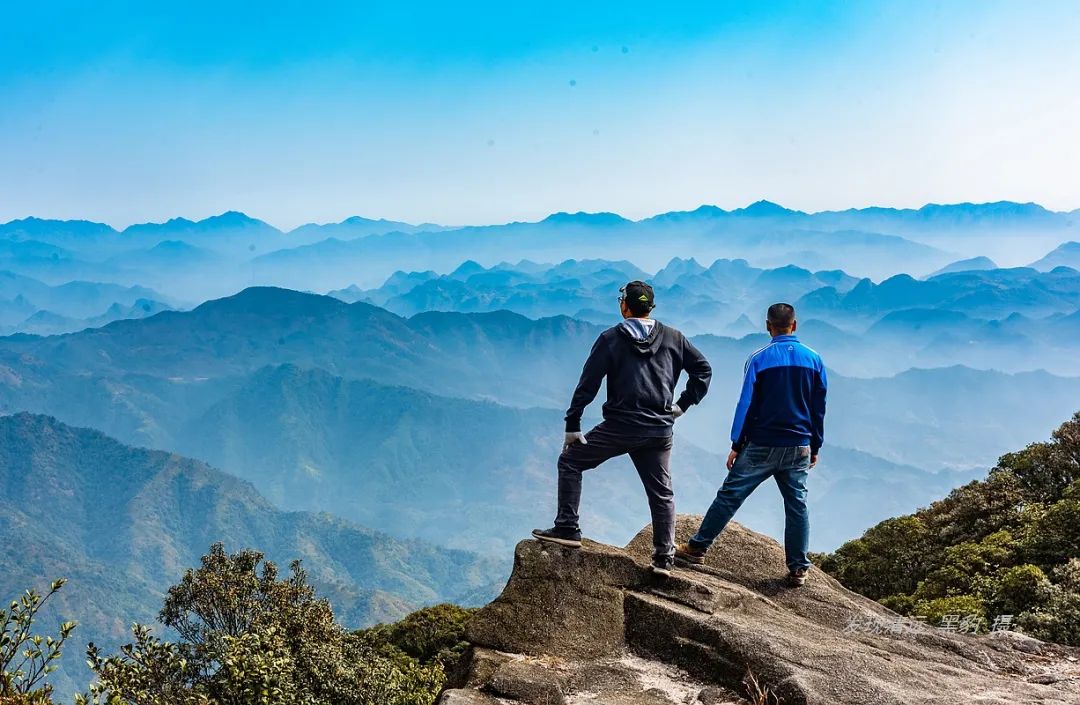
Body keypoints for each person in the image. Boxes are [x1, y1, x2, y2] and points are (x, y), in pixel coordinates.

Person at [532, 280, 712, 576]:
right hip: (658, 430)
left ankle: (567, 528)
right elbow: (703, 369)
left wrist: (573, 423)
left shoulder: (611, 339)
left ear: (624, 306)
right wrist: (682, 405)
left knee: (570, 461)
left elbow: (588, 384)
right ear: (651, 307)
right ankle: (664, 558)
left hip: (620, 427)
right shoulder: (673, 338)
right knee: (662, 493)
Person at [675, 303, 827, 587]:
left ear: (768, 326)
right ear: (794, 325)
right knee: (797, 506)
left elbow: (746, 404)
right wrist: (815, 445)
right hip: (799, 445)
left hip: (762, 444)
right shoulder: (814, 359)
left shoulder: (759, 359)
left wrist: (737, 443)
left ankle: (697, 548)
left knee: (730, 495)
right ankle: (798, 568)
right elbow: (819, 408)